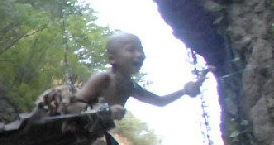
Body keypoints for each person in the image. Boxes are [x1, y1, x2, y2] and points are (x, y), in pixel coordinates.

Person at [70, 32, 203, 112]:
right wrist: (106, 111)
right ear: (112, 58)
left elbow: (159, 101)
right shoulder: (104, 79)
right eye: (131, 50)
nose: (139, 55)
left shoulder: (131, 87)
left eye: (141, 50)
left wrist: (184, 91)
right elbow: (74, 105)